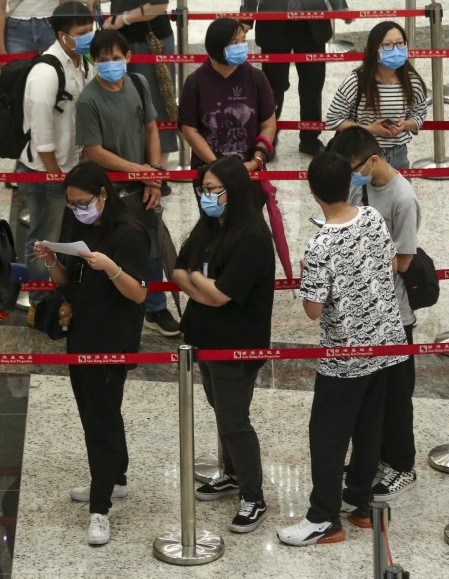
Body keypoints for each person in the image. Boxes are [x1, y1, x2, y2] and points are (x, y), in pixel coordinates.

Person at [278, 150, 407, 547]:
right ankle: (362, 504)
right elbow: (386, 265)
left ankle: (323, 517)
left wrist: (308, 273)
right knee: (369, 426)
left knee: (328, 435)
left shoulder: (319, 245)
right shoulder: (371, 217)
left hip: (344, 356)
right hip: (386, 344)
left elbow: (313, 311)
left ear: (313, 191)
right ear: (350, 184)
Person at [33, 161, 150, 546]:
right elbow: (69, 283)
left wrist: (112, 268)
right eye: (72, 203)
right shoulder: (78, 225)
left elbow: (139, 294)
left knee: (100, 418)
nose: (78, 209)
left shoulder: (129, 233)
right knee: (95, 412)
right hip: (82, 333)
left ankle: (100, 507)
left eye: (83, 202)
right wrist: (51, 261)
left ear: (103, 194)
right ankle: (114, 478)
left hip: (112, 337)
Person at [173, 158, 275, 534]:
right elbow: (179, 272)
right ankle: (232, 474)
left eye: (215, 189)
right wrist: (203, 286)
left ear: (235, 190)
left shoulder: (251, 236)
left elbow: (220, 295)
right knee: (220, 408)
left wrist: (200, 281)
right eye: (204, 188)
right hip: (205, 337)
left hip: (237, 344)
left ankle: (254, 496)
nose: (207, 196)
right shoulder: (208, 227)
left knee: (234, 420)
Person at [327, 126, 421, 500]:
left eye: (354, 168)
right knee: (373, 392)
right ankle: (375, 456)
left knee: (397, 395)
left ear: (374, 159)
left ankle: (401, 465)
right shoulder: (358, 187)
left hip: (394, 313)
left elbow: (403, 260)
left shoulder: (403, 198)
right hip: (363, 309)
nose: (351, 175)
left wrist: (353, 260)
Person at [75, 29, 180, 336]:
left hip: (142, 185)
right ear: (94, 61)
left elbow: (151, 130)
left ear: (128, 58)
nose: (110, 64)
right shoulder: (88, 101)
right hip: (109, 192)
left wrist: (153, 176)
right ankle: (118, 308)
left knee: (153, 250)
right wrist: (141, 171)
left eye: (116, 58)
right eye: (103, 59)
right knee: (114, 251)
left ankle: (156, 307)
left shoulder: (138, 82)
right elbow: (94, 152)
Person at [243, 0, 349, 157]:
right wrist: (247, 18)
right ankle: (269, 139)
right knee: (274, 84)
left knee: (312, 83)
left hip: (310, 21)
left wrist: (341, 7)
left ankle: (310, 138)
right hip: (274, 19)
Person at [86, 0, 180, 170]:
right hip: (125, 42)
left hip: (150, 41)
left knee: (155, 101)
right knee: (129, 99)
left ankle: (159, 165)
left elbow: (159, 4)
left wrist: (124, 19)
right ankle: (137, 161)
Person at [17, 1, 93, 300]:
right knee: (42, 239)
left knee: (61, 236)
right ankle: (38, 299)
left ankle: (57, 294)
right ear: (63, 35)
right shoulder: (46, 73)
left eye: (91, 29)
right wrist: (57, 178)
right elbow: (41, 137)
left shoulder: (80, 61)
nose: (89, 37)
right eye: (82, 32)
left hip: (69, 167)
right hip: (45, 171)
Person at [179, 17, 277, 172]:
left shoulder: (257, 78)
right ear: (217, 47)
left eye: (243, 40)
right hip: (209, 171)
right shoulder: (195, 82)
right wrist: (218, 166)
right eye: (234, 42)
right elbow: (189, 130)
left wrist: (256, 160)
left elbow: (269, 125)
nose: (242, 47)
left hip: (250, 170)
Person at [327, 22, 427, 170]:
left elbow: (419, 114)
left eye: (400, 43)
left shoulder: (412, 81)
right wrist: (369, 129)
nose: (395, 49)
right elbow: (333, 120)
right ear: (375, 50)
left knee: (401, 194)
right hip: (361, 155)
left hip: (398, 154)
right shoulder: (356, 81)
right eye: (387, 45)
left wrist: (405, 125)